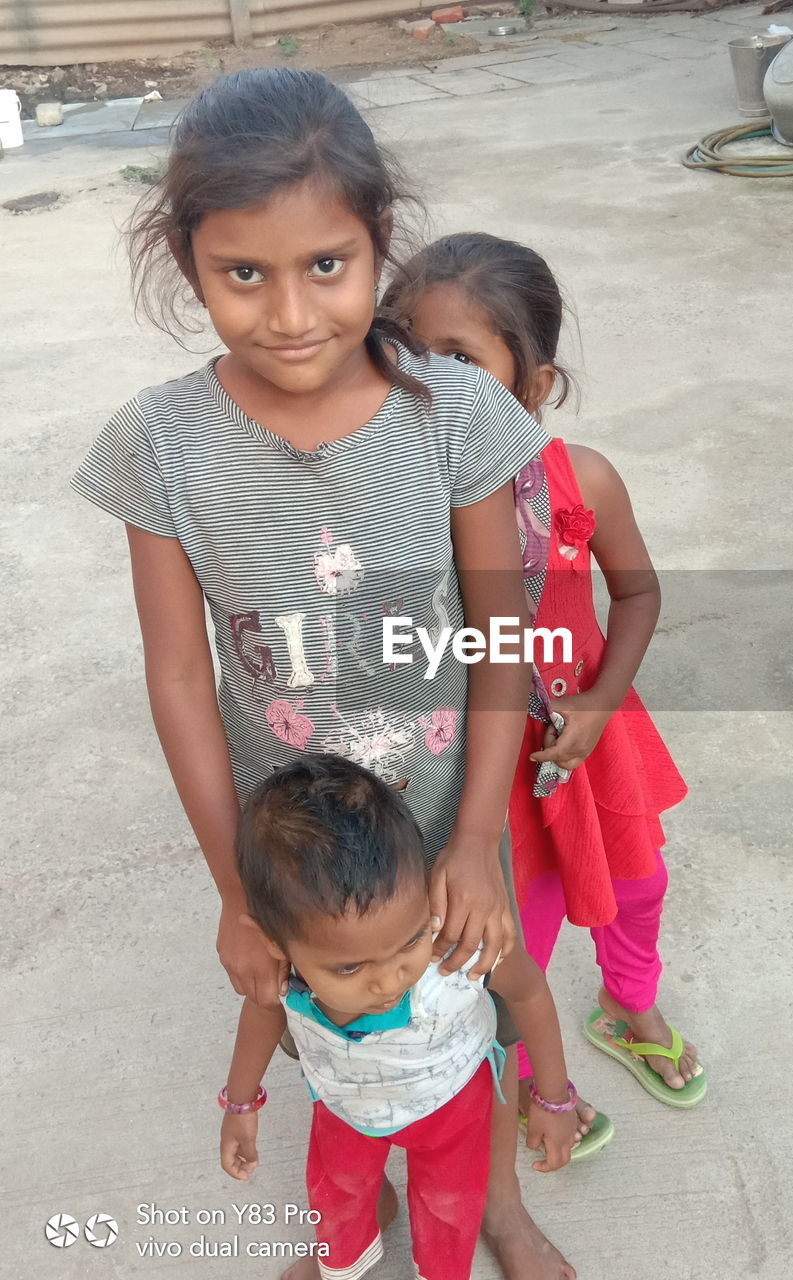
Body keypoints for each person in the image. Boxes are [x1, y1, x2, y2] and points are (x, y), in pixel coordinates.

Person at [71, 70, 576, 1277]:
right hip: (287, 838)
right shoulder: (160, 444)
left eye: (328, 267)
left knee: (472, 1009)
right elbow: (182, 678)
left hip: (447, 814)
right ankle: (360, 1201)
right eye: (244, 273)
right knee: (330, 1016)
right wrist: (234, 890)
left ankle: (493, 1199)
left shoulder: (453, 414)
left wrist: (470, 846)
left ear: (377, 246)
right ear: (187, 262)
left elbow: (503, 629)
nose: (291, 313)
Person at [383, 232, 707, 1122]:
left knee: (638, 885)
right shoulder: (395, 501)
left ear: (534, 386)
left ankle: (627, 1002)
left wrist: (602, 704)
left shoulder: (582, 481)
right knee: (506, 926)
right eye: (407, 351)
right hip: (482, 765)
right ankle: (524, 1067)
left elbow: (637, 593)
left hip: (590, 738)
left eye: (459, 357)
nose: (427, 379)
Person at [220, 753, 580, 1280]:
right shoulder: (285, 975)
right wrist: (240, 1103)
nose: (389, 980)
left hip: (454, 1118)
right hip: (344, 1114)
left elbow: (527, 995)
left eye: (409, 941)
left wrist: (552, 1097)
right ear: (279, 946)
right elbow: (262, 1012)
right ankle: (352, 1245)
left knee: (448, 1206)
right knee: (337, 1194)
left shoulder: (460, 944)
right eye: (349, 966)